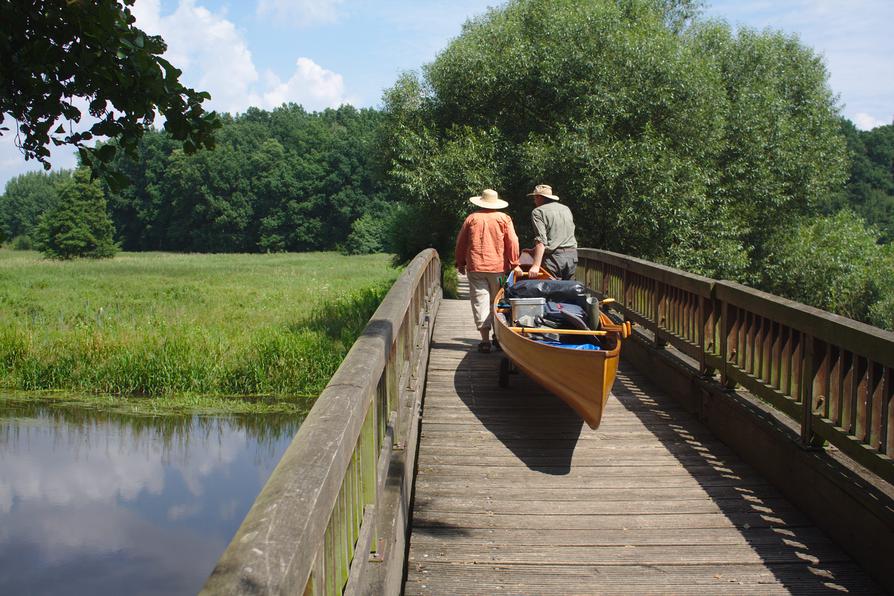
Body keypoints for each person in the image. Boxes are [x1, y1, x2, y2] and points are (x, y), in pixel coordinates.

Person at [455, 188, 520, 353]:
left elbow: (461, 242)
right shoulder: (504, 218)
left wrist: (460, 262)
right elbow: (513, 241)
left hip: (476, 268)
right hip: (499, 270)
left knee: (480, 302)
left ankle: (484, 341)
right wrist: (514, 263)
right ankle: (498, 338)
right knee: (498, 302)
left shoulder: (472, 218)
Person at [516, 183, 578, 280]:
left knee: (551, 291)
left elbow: (541, 241)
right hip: (572, 256)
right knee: (567, 290)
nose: (534, 200)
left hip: (554, 259)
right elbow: (560, 236)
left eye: (535, 197)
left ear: (540, 197)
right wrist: (534, 251)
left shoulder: (538, 212)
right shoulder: (565, 209)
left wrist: (536, 266)